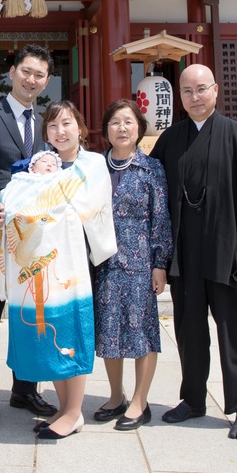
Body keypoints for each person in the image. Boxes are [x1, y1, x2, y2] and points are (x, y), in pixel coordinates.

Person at [149, 64, 237, 440]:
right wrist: (159, 257)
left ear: (215, 91)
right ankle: (193, 399)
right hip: (184, 251)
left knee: (235, 330)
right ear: (180, 97)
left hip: (226, 249)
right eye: (187, 91)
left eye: (201, 89)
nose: (195, 97)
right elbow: (156, 196)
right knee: (189, 331)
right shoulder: (171, 138)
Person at [0, 100, 116, 440]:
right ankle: (64, 408)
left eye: (66, 124)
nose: (60, 131)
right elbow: (17, 203)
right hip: (41, 268)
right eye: (52, 126)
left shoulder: (91, 164)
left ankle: (75, 411)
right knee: (50, 333)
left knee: (70, 331)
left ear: (80, 127)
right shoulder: (36, 168)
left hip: (75, 264)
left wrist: (50, 202)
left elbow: (91, 207)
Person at [0, 44, 58, 428]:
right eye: (26, 71)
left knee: (31, 315)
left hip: (33, 238)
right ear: (12, 72)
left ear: (46, 80)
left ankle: (25, 389)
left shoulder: (46, 125)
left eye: (39, 75)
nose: (31, 80)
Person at [92, 99, 173, 431]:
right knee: (109, 331)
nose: (121, 128)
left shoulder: (151, 168)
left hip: (140, 263)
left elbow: (161, 219)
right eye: (115, 122)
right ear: (106, 129)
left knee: (142, 332)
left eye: (128, 122)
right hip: (103, 263)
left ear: (139, 128)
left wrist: (160, 263)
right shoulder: (96, 166)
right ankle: (116, 396)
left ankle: (140, 401)